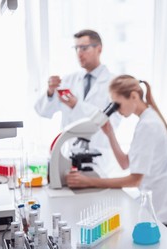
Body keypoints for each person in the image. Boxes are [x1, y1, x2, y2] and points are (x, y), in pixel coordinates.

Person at [66, 75, 167, 225]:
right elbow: (125, 163)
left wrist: (89, 182)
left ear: (133, 96)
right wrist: (110, 133)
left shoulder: (148, 125)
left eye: (117, 104)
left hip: (163, 207)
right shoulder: (147, 119)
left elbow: (135, 180)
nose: (116, 110)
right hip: (160, 199)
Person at [35, 29, 119, 174]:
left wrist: (76, 105)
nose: (79, 53)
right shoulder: (69, 80)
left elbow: (112, 122)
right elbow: (43, 111)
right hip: (69, 156)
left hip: (99, 160)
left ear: (99, 49)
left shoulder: (114, 83)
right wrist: (50, 92)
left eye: (84, 48)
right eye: (76, 48)